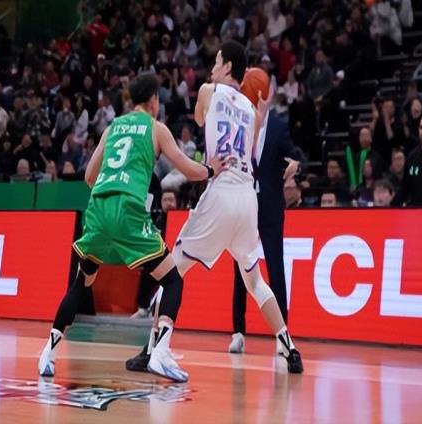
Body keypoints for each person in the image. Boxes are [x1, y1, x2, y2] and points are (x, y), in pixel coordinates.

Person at [127, 41, 303, 375]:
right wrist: (257, 106)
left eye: (217, 62)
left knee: (171, 271)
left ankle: (155, 349)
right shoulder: (252, 111)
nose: (211, 68)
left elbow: (198, 118)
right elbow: (250, 139)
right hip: (247, 200)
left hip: (220, 192)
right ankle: (289, 347)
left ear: (228, 67)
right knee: (255, 281)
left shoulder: (209, 91)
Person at [38, 72, 226, 383]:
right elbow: (188, 169)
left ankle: (48, 352)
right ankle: (160, 352)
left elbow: (88, 177)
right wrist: (211, 169)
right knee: (172, 280)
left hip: (98, 208)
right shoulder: (156, 128)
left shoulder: (112, 127)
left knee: (82, 283)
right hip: (127, 210)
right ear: (153, 101)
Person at [229, 100, 301, 355]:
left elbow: (296, 154)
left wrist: (295, 164)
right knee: (240, 268)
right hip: (244, 203)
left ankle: (282, 335)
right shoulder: (240, 123)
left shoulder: (279, 127)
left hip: (270, 205)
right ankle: (238, 332)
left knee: (275, 267)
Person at [131, 190, 177, 319]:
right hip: (161, 258)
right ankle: (143, 307)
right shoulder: (156, 221)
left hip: (176, 258)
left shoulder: (182, 219)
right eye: (165, 200)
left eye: (171, 200)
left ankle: (162, 311)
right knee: (148, 269)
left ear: (176, 202)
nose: (168, 203)